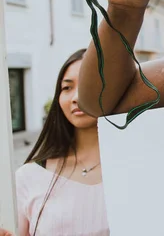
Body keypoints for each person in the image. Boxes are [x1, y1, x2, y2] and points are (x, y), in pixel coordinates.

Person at [15, 49, 108, 235]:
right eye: (67, 88)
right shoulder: (29, 177)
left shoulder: (135, 166)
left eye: (89, 84)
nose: (76, 97)